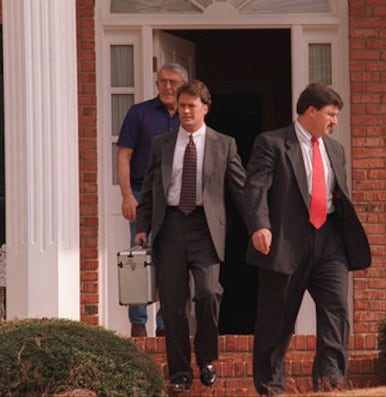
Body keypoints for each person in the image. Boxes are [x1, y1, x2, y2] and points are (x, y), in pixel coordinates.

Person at [245, 82, 372, 395]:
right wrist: (259, 225)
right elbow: (255, 187)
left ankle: (332, 379)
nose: (335, 121)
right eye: (330, 114)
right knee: (277, 320)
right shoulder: (272, 143)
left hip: (330, 240)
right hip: (286, 242)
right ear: (311, 111)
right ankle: (271, 387)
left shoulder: (335, 150)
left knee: (336, 310)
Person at [135, 80, 247, 391]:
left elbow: (241, 191)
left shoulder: (224, 144)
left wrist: (260, 225)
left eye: (191, 106)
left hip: (205, 227)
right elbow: (149, 189)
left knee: (208, 292)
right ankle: (180, 372)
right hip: (170, 225)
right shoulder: (162, 144)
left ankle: (207, 357)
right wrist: (143, 226)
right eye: (181, 106)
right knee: (173, 304)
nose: (185, 111)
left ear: (205, 109)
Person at [117, 62, 189, 337]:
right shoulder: (140, 114)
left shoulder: (188, 115)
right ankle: (138, 324)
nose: (168, 87)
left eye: (173, 82)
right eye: (163, 81)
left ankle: (163, 325)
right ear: (157, 84)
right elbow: (124, 155)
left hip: (176, 198)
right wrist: (126, 196)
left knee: (171, 259)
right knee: (139, 257)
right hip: (141, 195)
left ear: (183, 84)